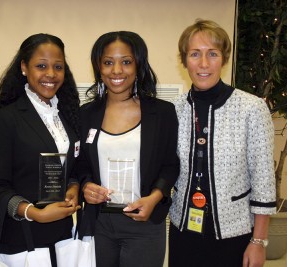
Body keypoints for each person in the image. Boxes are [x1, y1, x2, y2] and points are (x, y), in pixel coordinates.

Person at [168, 19, 276, 267]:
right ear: (184, 61)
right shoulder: (175, 110)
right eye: (195, 54)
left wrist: (258, 242)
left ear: (224, 59)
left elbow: (263, 180)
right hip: (184, 230)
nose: (203, 64)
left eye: (212, 54)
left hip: (234, 233)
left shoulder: (251, 108)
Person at [76, 31, 179, 267]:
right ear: (99, 67)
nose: (117, 71)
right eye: (108, 62)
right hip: (98, 224)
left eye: (126, 62)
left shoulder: (162, 113)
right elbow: (81, 165)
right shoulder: (86, 114)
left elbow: (170, 165)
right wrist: (86, 185)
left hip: (144, 223)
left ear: (138, 65)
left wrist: (154, 198)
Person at [0, 33, 81, 267]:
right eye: (41, 66)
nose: (50, 74)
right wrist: (33, 212)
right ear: (23, 67)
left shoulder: (68, 116)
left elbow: (73, 168)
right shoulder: (6, 119)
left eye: (57, 67)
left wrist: (73, 186)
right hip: (22, 235)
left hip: (61, 233)